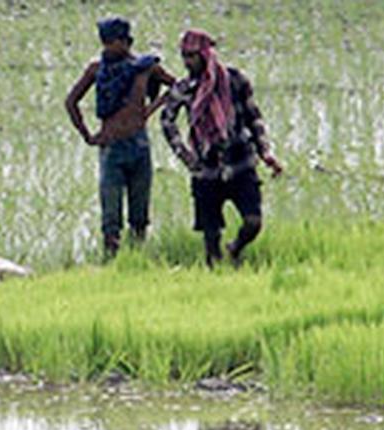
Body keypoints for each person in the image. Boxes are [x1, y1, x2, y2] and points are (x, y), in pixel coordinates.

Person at [161, 29, 284, 268]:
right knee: (211, 235)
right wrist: (185, 154)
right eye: (184, 56)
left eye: (192, 56)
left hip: (240, 161)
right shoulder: (184, 88)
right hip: (206, 168)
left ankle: (236, 248)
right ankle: (216, 273)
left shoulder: (235, 80)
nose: (187, 62)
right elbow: (167, 121)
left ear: (206, 54)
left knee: (253, 222)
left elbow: (253, 117)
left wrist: (265, 153)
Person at [65, 17, 175, 256]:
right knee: (110, 215)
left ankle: (136, 260)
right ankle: (111, 259)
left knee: (139, 214)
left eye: (111, 42)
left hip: (139, 145)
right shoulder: (97, 69)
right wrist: (87, 135)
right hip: (111, 148)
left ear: (126, 42)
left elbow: (176, 86)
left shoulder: (145, 68)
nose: (106, 48)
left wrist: (151, 109)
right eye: (103, 43)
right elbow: (71, 102)